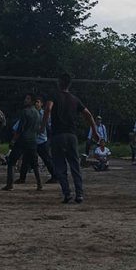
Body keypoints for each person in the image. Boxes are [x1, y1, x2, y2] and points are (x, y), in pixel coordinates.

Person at [41, 73, 98, 204]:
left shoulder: (54, 95)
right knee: (75, 165)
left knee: (60, 166)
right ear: (69, 84)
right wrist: (94, 131)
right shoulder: (75, 99)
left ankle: (67, 193)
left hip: (57, 136)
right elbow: (88, 114)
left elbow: (48, 108)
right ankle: (79, 194)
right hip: (72, 136)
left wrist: (42, 126)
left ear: (59, 82)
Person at [3, 94, 43, 192]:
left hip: (23, 140)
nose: (25, 100)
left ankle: (9, 184)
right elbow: (38, 129)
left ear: (32, 101)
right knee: (34, 163)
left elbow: (20, 129)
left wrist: (13, 140)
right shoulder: (38, 113)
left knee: (11, 161)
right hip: (33, 140)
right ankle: (39, 184)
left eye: (28, 99)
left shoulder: (25, 112)